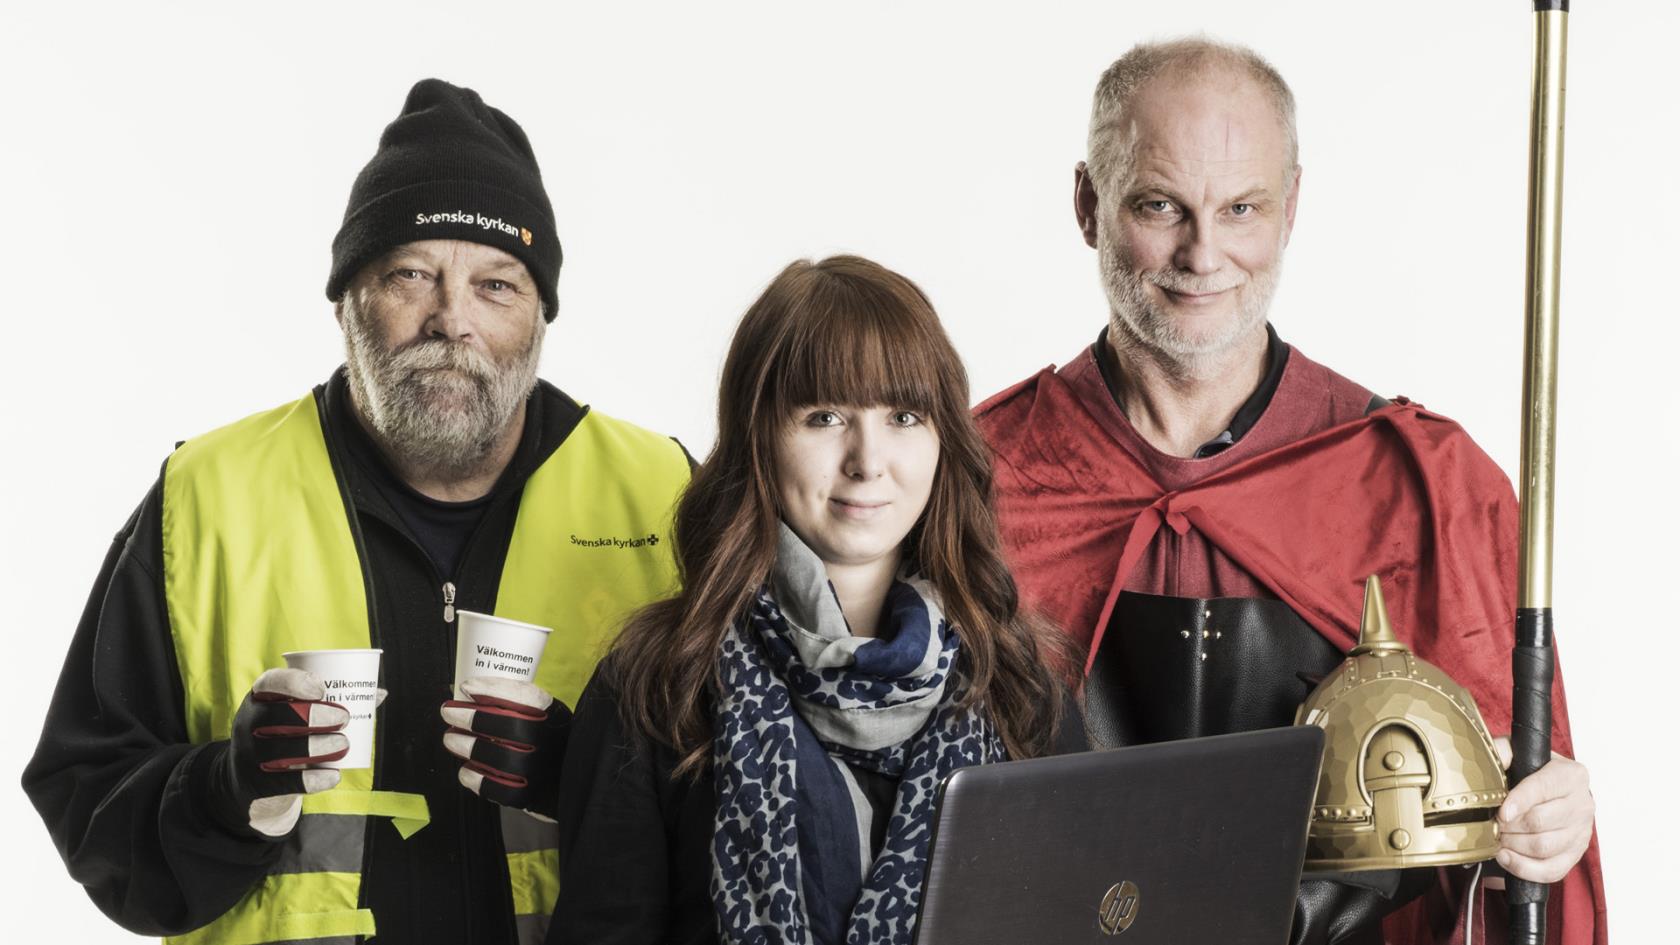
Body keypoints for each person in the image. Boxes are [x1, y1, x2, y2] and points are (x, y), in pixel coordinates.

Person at [22, 79, 690, 945]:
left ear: (541, 317)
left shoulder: (664, 493)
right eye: (411, 273)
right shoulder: (210, 497)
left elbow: (757, 810)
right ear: (346, 299)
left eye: (497, 284)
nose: (453, 320)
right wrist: (229, 789)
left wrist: (588, 778)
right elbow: (88, 804)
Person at [973, 39, 1607, 945]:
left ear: (1292, 207)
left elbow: (1500, 828)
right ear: (1088, 204)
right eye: (1161, 205)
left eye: (1242, 208)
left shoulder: (1425, 486)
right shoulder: (971, 475)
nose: (1204, 252)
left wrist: (1547, 820)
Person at [547, 255, 1083, 945]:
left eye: (903, 415)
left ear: (943, 438)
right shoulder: (659, 682)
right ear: (758, 437)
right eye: (825, 415)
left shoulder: (1016, 684)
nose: (867, 458)